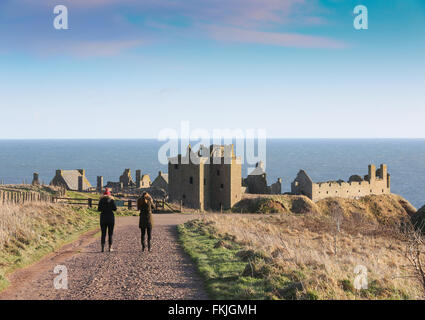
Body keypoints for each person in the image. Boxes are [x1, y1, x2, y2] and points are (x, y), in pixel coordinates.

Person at [97, 188, 117, 252]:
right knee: (110, 234)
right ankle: (110, 248)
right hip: (110, 218)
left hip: (103, 218)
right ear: (109, 194)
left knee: (103, 233)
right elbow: (115, 209)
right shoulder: (111, 200)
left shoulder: (101, 200)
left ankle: (102, 248)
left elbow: (99, 209)